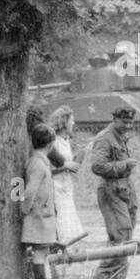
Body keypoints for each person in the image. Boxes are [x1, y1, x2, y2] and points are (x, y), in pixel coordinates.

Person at [90, 107, 139, 279]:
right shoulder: (105, 138)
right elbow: (97, 166)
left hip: (124, 188)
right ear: (115, 119)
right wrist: (123, 164)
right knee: (119, 235)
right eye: (124, 122)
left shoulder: (120, 136)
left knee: (127, 234)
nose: (128, 125)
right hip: (111, 190)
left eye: (130, 122)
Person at [21, 123, 60, 279]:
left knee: (42, 251)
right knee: (40, 251)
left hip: (43, 214)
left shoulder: (40, 162)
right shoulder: (38, 164)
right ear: (50, 144)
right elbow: (30, 192)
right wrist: (25, 209)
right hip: (39, 215)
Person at [48, 105, 85, 245]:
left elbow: (66, 163)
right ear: (64, 122)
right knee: (60, 218)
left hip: (66, 185)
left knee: (68, 216)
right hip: (55, 186)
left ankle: (68, 248)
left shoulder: (66, 141)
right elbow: (47, 167)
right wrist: (66, 166)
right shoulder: (53, 142)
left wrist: (77, 160)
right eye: (72, 120)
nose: (73, 123)